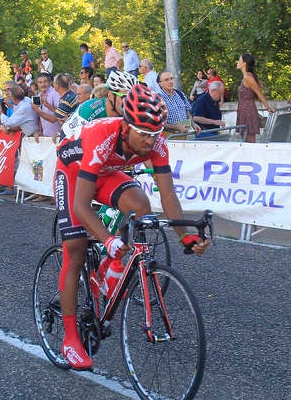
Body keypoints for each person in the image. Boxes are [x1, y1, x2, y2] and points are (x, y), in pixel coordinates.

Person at [53, 83, 209, 369]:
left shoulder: (157, 141)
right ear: (126, 127)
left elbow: (168, 194)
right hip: (73, 173)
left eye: (155, 133)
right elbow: (81, 205)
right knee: (74, 250)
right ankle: (70, 338)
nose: (151, 141)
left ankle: (108, 268)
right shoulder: (102, 135)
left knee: (141, 206)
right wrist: (107, 239)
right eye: (144, 134)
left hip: (107, 172)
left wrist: (185, 237)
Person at [62, 69, 137, 137]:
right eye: (125, 97)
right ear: (110, 96)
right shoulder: (90, 111)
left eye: (134, 98)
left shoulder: (127, 112)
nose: (130, 102)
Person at [236, 53, 275, 143]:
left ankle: (254, 157)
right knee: (245, 140)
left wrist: (268, 108)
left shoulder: (247, 77)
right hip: (243, 110)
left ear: (244, 63)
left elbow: (259, 93)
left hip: (248, 111)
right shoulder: (246, 77)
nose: (237, 62)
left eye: (239, 60)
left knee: (250, 141)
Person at [31, 72, 61, 137]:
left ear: (50, 83)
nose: (43, 84)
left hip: (56, 136)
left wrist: (48, 105)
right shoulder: (39, 95)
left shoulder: (55, 93)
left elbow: (61, 114)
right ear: (37, 84)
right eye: (40, 82)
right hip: (46, 135)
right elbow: (41, 115)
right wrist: (40, 131)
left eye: (45, 82)